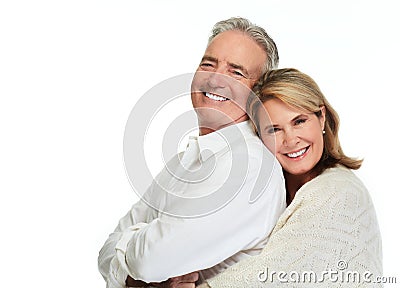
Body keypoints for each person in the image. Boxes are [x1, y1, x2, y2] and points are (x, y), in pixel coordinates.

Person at [98, 17, 287, 288]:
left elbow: (151, 261)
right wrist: (137, 276)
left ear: (258, 92)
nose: (214, 79)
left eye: (236, 72)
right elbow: (107, 250)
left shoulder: (251, 166)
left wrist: (136, 255)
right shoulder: (182, 162)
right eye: (208, 64)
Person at [198, 68, 383, 287]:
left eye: (299, 121)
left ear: (321, 117)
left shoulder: (339, 192)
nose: (291, 140)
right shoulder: (266, 192)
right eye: (274, 130)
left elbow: (274, 273)